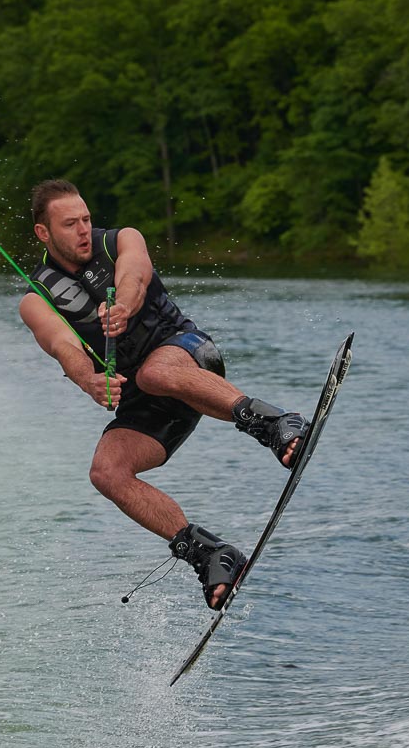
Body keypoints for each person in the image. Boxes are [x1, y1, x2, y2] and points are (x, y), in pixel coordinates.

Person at [19, 179, 309, 609]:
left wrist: (124, 305)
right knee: (106, 472)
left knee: (155, 372)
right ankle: (209, 553)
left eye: (86, 219)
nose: (83, 230)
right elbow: (62, 345)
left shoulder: (121, 240)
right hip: (148, 399)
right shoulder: (36, 299)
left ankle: (274, 423)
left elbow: (134, 275)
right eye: (69, 224)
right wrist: (88, 379)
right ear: (43, 232)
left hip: (188, 354)